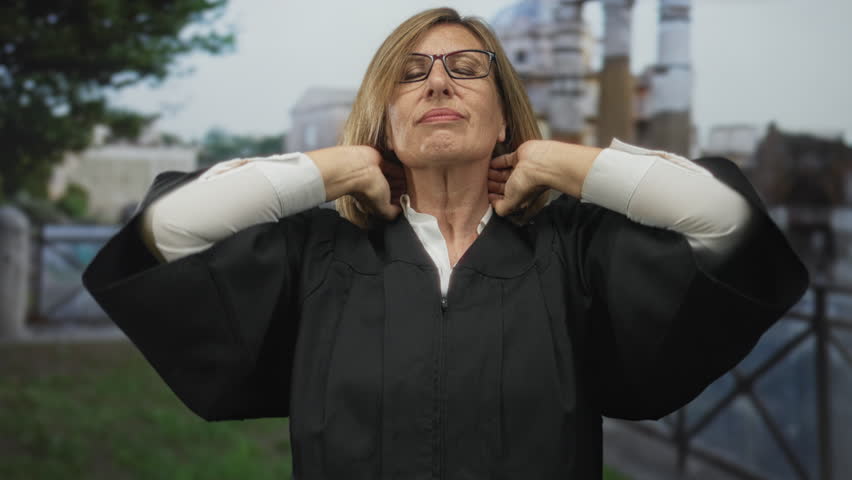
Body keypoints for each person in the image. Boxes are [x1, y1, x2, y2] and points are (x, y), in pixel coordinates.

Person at [82, 8, 808, 479]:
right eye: (410, 74)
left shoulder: (572, 254)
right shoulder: (318, 255)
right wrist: (341, 167)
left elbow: (726, 222)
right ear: (384, 117)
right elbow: (165, 231)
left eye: (466, 69)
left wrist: (559, 162)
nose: (437, 82)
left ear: (503, 118)